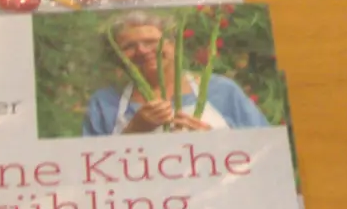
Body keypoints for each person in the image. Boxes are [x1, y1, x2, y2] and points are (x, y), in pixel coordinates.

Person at [82, 13, 265, 135]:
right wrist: (133, 131)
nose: (142, 51)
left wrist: (215, 143)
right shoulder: (105, 102)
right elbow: (89, 167)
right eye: (129, 46)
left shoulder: (222, 90)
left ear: (173, 44)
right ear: (117, 56)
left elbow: (265, 148)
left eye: (151, 41)